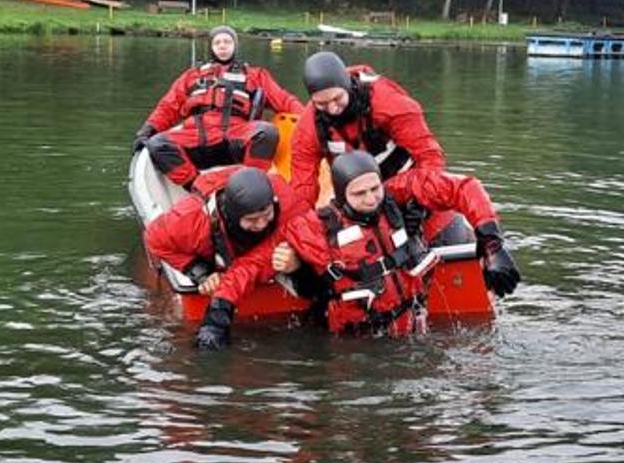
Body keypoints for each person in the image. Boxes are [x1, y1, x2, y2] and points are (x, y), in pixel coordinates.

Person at [284, 152, 520, 337]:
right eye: (359, 194)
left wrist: (493, 245)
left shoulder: (397, 195)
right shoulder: (315, 227)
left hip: (410, 328)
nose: (370, 199)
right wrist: (294, 266)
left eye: (375, 189)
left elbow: (463, 187)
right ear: (341, 195)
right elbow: (282, 263)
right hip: (353, 341)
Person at [144, 167, 304, 350]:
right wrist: (201, 272)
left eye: (267, 215)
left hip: (249, 265)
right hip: (223, 249)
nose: (261, 224)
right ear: (232, 216)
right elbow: (154, 239)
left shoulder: (289, 203)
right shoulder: (190, 221)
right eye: (252, 219)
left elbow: (259, 260)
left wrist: (297, 262)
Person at [135, 26, 305, 187]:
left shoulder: (254, 75)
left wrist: (308, 118)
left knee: (267, 132)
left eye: (227, 42)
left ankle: (252, 183)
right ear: (211, 47)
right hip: (197, 138)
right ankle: (196, 186)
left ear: (235, 46)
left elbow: (285, 100)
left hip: (235, 138)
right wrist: (147, 130)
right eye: (217, 42)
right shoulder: (192, 76)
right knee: (157, 144)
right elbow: (168, 107)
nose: (222, 46)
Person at [287, 52, 447, 208]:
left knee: (442, 225)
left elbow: (429, 156)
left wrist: (422, 201)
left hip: (404, 186)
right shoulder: (309, 126)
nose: (332, 109)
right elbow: (302, 187)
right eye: (321, 104)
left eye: (337, 98)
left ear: (347, 86)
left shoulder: (388, 102)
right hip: (355, 201)